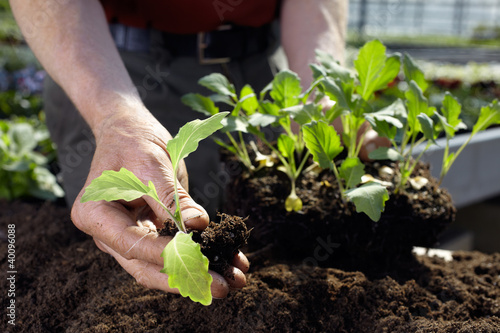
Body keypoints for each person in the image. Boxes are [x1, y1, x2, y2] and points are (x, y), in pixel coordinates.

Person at [10, 0, 350, 299]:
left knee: (280, 253)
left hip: (260, 69)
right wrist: (114, 117)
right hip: (109, 67)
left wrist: (319, 91)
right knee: (138, 259)